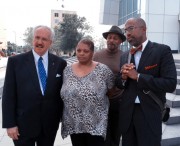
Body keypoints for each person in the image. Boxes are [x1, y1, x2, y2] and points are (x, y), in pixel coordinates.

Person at [115, 17, 177, 146]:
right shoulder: (124, 56)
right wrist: (123, 78)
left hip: (150, 113)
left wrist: (138, 77)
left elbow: (170, 84)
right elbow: (119, 83)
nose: (127, 34)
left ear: (144, 29)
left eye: (131, 29)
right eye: (126, 30)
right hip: (127, 115)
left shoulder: (162, 51)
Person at [2, 25, 67, 146]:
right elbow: (8, 95)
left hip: (49, 126)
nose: (39, 42)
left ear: (50, 42)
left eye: (44, 39)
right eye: (37, 37)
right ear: (33, 39)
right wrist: (10, 124)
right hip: (22, 126)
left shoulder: (60, 63)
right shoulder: (15, 62)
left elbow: (62, 93)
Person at [60, 38, 114, 146]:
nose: (81, 53)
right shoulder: (67, 71)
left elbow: (111, 91)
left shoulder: (103, 70)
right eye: (79, 50)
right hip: (73, 123)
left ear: (92, 53)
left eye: (85, 51)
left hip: (96, 124)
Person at [93, 25, 126, 146]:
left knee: (116, 136)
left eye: (115, 38)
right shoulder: (97, 55)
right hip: (100, 102)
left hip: (118, 102)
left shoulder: (125, 56)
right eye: (109, 37)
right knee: (103, 136)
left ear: (120, 41)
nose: (111, 40)